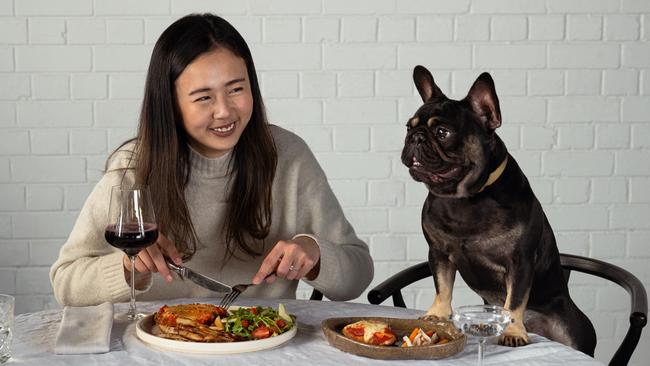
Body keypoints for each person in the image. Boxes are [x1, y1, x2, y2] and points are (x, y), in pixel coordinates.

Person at [50, 13, 373, 306]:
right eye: (203, 97)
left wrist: (315, 254)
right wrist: (126, 268)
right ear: (170, 104)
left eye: (236, 89)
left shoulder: (289, 156)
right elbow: (65, 282)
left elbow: (357, 275)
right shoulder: (133, 168)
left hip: (261, 343)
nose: (224, 111)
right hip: (155, 346)